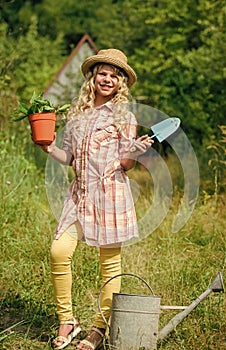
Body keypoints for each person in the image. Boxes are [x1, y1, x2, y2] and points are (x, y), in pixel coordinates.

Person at [38, 48, 153, 350]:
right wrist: (49, 149)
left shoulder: (124, 117)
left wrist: (133, 153)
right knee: (59, 252)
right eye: (103, 73)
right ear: (93, 77)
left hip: (111, 194)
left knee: (109, 264)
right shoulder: (76, 116)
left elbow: (125, 165)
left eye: (114, 76)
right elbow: (68, 157)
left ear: (120, 84)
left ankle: (99, 327)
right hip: (79, 195)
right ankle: (67, 320)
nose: (107, 79)